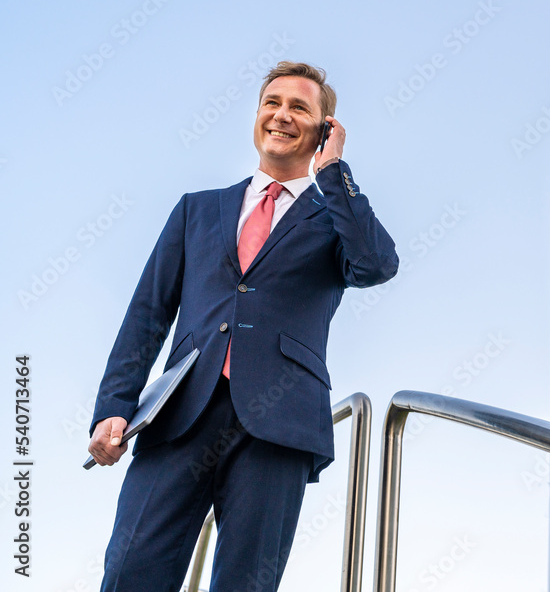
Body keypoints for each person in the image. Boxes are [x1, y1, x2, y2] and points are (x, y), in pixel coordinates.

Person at [86, 61, 398, 591]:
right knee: (129, 571)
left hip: (278, 426)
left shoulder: (333, 218)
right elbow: (147, 315)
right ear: (257, 116)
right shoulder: (197, 210)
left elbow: (376, 265)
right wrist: (113, 408)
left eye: (300, 107)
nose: (282, 115)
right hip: (179, 416)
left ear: (325, 129)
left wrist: (334, 174)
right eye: (272, 103)